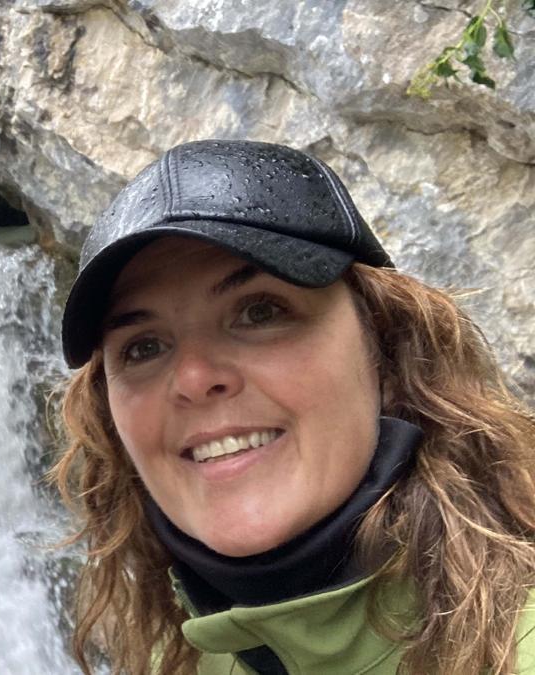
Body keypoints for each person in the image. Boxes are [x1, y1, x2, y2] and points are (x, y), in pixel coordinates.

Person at [52, 139, 535, 674]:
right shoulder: (184, 655)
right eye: (143, 348)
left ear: (387, 345)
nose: (193, 378)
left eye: (259, 312)